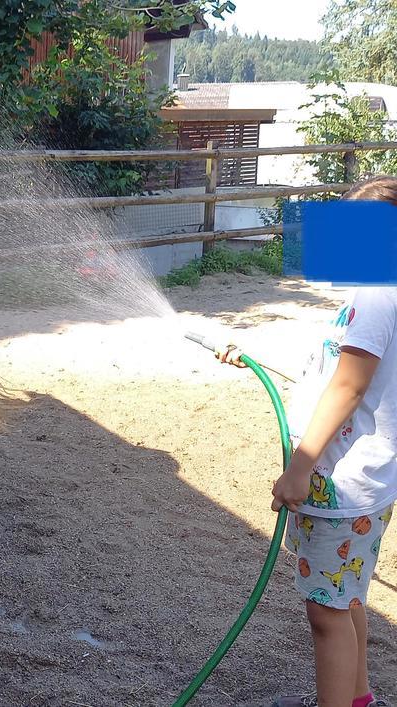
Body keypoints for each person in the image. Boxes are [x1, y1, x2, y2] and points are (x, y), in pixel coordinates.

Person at [219, 176, 397, 707]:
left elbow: (349, 386)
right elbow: (337, 370)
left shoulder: (375, 296)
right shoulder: (381, 292)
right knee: (346, 598)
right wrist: (248, 351)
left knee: (325, 614)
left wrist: (301, 467)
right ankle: (359, 698)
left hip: (339, 482)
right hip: (366, 480)